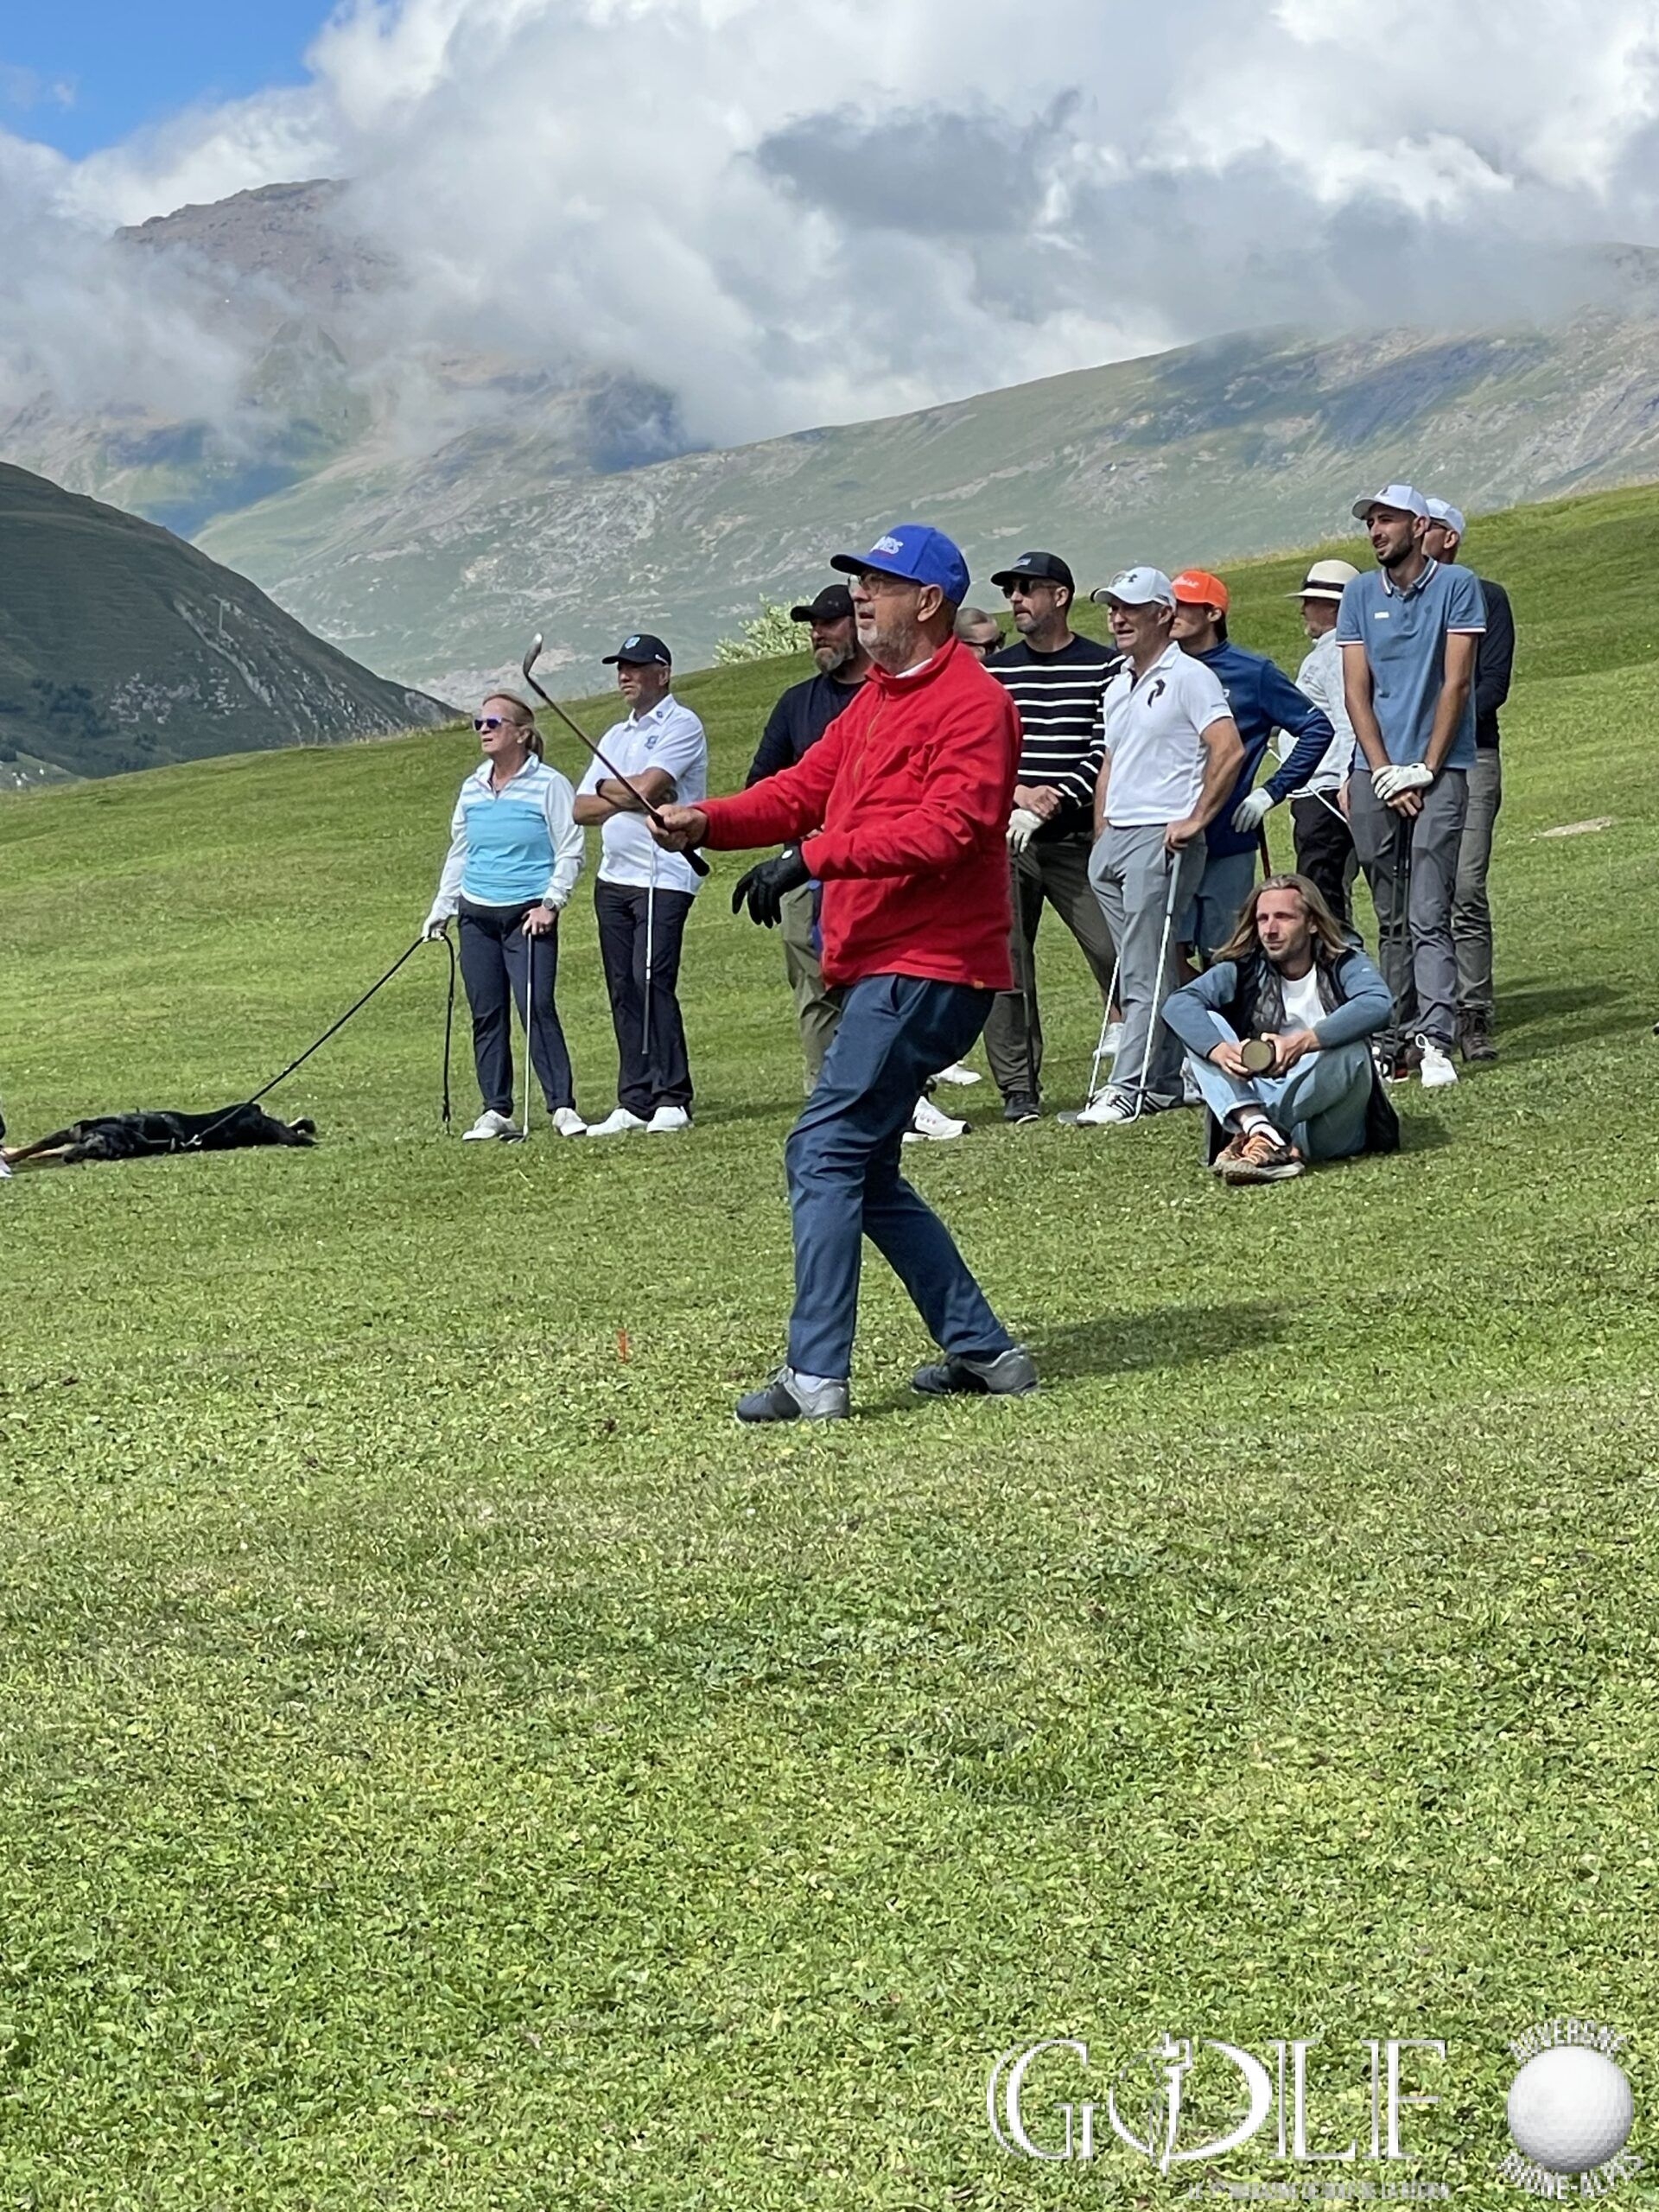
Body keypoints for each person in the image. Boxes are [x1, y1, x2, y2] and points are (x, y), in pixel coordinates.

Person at [648, 522, 1032, 1422]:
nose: (861, 595)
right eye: (860, 581)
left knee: (821, 1149)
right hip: (885, 966)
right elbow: (800, 788)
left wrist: (812, 858)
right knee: (866, 1170)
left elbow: (952, 830)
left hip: (931, 965)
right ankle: (987, 1351)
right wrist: (707, 821)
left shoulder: (974, 703)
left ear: (928, 602)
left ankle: (815, 1375)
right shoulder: (874, 700)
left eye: (879, 583)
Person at [1077, 568, 1244, 1125]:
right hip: (1115, 841)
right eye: (1112, 608)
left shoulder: (1190, 676)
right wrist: (1101, 833)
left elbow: (1228, 748)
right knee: (1145, 963)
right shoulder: (1119, 682)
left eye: (1129, 608)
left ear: (1163, 614)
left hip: (1161, 836)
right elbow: (1111, 761)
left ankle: (1129, 1086)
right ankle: (1166, 1081)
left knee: (1144, 968)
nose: (1117, 618)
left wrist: (1197, 817)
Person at [1338, 484, 1484, 1091]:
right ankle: (1391, 1040)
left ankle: (1435, 1040)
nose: (1376, 530)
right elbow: (1356, 691)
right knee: (1390, 912)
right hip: (1375, 769)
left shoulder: (1457, 586)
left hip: (1440, 768)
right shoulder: (1358, 594)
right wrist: (1382, 771)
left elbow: (1457, 684)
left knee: (1428, 908)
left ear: (1419, 526)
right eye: (1371, 521)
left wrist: (1424, 766)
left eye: (1387, 519)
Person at [981, 550, 1122, 1124]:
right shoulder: (995, 672)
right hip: (1009, 838)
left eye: (1026, 589)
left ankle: (1143, 1064)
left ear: (1059, 597)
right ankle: (1019, 1090)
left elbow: (1104, 748)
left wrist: (1056, 797)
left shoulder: (1105, 666)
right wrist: (1019, 795)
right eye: (1010, 591)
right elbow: (980, 752)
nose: (1015, 599)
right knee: (1007, 966)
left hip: (1073, 837)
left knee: (1112, 949)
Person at [1163, 874, 1398, 1183]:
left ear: (1312, 923)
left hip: (1330, 1119)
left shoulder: (1342, 961)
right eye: (1262, 919)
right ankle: (1262, 1132)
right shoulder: (1245, 968)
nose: (1270, 930)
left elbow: (1378, 1004)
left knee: (1351, 1050)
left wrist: (1303, 1043)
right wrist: (1220, 1051)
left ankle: (1263, 1136)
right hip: (1263, 1095)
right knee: (1207, 1028)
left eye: (1284, 917)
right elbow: (1178, 1005)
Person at [423, 693, 586, 1141]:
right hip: (476, 915)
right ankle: (496, 1109)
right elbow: (461, 852)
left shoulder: (549, 784)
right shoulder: (473, 786)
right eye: (479, 723)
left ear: (521, 733)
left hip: (527, 916)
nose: (483, 729)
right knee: (487, 1013)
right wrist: (443, 908)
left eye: (493, 722)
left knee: (537, 1006)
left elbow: (570, 848)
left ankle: (562, 1106)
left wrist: (552, 903)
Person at [573, 633, 708, 1135]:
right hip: (614, 877)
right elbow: (580, 808)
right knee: (623, 987)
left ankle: (673, 1097)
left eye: (634, 667)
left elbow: (650, 788)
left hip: (664, 875)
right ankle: (635, 1099)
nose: (624, 676)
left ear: (663, 673)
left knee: (651, 980)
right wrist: (621, 791)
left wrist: (617, 789)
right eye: (620, 668)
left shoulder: (682, 724)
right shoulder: (614, 736)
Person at [1168, 569, 1334, 960]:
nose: (1172, 613)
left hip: (1227, 839)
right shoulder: (1157, 669)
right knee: (1165, 957)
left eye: (1184, 605)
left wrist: (1269, 792)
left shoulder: (1252, 672)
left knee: (1227, 957)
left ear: (1213, 613)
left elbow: (1316, 728)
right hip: (1165, 838)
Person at [745, 583, 871, 1094]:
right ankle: (825, 1092)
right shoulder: (797, 703)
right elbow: (761, 785)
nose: (818, 633)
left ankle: (898, 1093)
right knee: (813, 983)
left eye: (829, 622)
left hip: (871, 863)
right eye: (813, 625)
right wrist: (803, 829)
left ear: (859, 624)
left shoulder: (885, 697)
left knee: (875, 982)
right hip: (802, 867)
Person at [1425, 498, 1515, 1064]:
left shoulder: (1487, 597)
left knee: (1465, 885)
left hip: (1472, 754)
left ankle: (1472, 1010)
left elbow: (1492, 684)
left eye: (1429, 526)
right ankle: (1426, 1010)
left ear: (1450, 538)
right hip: (1408, 763)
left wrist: (1437, 728)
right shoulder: (1397, 603)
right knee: (1418, 889)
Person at [1281, 559, 1362, 927]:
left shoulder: (1336, 654)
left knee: (1324, 896)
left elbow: (1348, 721)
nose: (1304, 609)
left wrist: (1347, 779)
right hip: (1317, 791)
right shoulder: (1330, 652)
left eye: (1311, 601)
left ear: (1333, 607)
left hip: (1326, 792)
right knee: (1321, 891)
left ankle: (1338, 958)